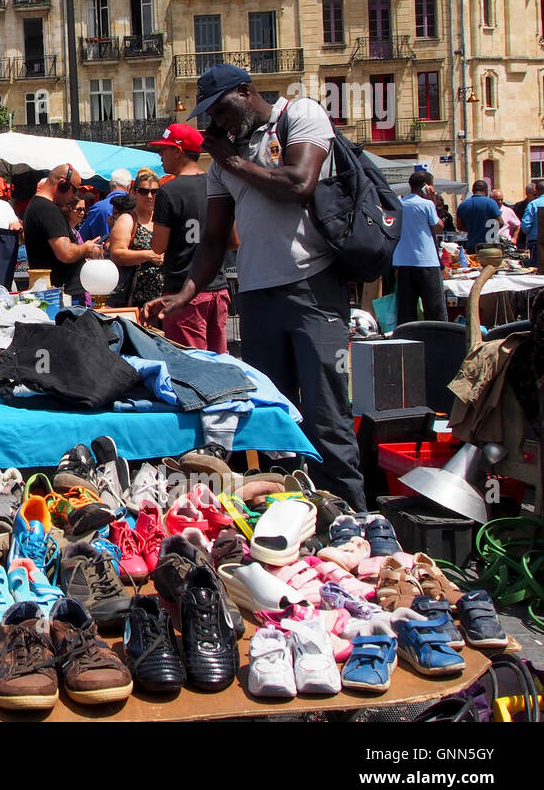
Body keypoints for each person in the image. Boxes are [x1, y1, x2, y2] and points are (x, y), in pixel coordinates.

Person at [150, 63, 366, 511]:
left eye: (221, 110)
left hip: (313, 286)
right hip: (257, 294)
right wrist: (185, 294)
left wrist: (232, 162)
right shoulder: (223, 166)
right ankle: (286, 515)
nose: (216, 123)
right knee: (272, 416)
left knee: (327, 414)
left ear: (247, 91)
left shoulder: (301, 114)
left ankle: (352, 518)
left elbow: (299, 182)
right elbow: (213, 238)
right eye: (208, 116)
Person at [145, 123, 232, 352]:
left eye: (163, 149)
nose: (160, 156)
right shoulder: (218, 183)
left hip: (183, 291)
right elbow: (234, 241)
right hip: (217, 289)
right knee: (220, 364)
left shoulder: (169, 190)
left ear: (178, 151)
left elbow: (158, 246)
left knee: (192, 367)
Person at [21, 163, 104, 297]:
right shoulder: (48, 210)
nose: (75, 196)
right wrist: (86, 248)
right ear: (63, 185)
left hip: (56, 292)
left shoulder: (39, 206)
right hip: (63, 295)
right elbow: (66, 253)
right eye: (74, 190)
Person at [393, 172, 447, 324]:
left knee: (406, 309)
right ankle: (437, 339)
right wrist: (432, 202)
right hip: (426, 261)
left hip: (403, 261)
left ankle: (408, 339)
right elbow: (438, 227)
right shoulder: (427, 204)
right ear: (426, 186)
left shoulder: (399, 204)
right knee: (434, 308)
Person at [108, 167, 165, 308]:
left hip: (164, 300)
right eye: (144, 192)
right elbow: (117, 254)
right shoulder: (127, 220)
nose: (149, 196)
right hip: (136, 300)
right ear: (134, 193)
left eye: (154, 192)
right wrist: (149, 255)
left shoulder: (162, 218)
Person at [79, 168, 134, 242]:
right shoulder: (135, 208)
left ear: (110, 185)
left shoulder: (98, 207)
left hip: (101, 251)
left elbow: (82, 237)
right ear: (128, 187)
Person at [456, 180, 502, 250]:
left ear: (473, 190)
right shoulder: (491, 203)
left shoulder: (463, 205)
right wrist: (489, 231)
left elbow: (459, 226)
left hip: (472, 246)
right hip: (489, 246)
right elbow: (500, 222)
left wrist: (473, 230)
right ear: (486, 191)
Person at [521, 179, 544, 267]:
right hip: (537, 241)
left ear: (537, 191)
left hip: (536, 243)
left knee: (537, 270)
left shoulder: (533, 204)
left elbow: (525, 227)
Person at [512, 182, 538, 250]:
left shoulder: (538, 205)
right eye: (534, 194)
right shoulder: (519, 206)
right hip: (521, 240)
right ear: (527, 193)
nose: (536, 197)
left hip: (534, 239)